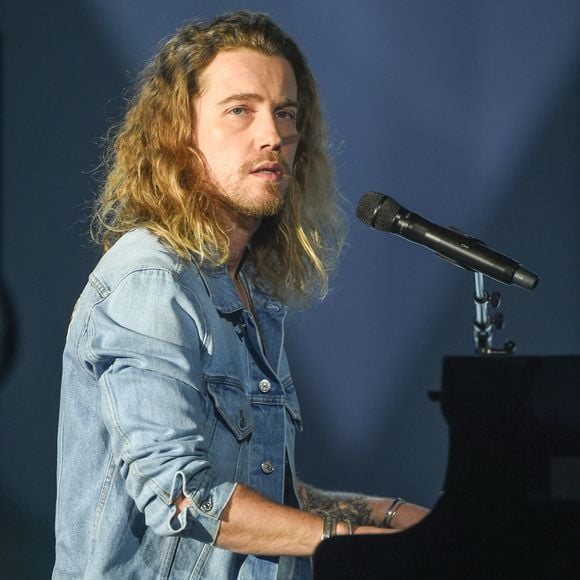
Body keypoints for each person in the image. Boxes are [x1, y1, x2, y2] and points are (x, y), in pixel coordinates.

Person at [53, 11, 428, 580]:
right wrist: (352, 542)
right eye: (240, 111)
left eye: (285, 114)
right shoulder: (150, 281)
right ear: (180, 134)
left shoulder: (241, 289)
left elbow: (258, 488)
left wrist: (403, 520)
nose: (272, 135)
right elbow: (181, 495)